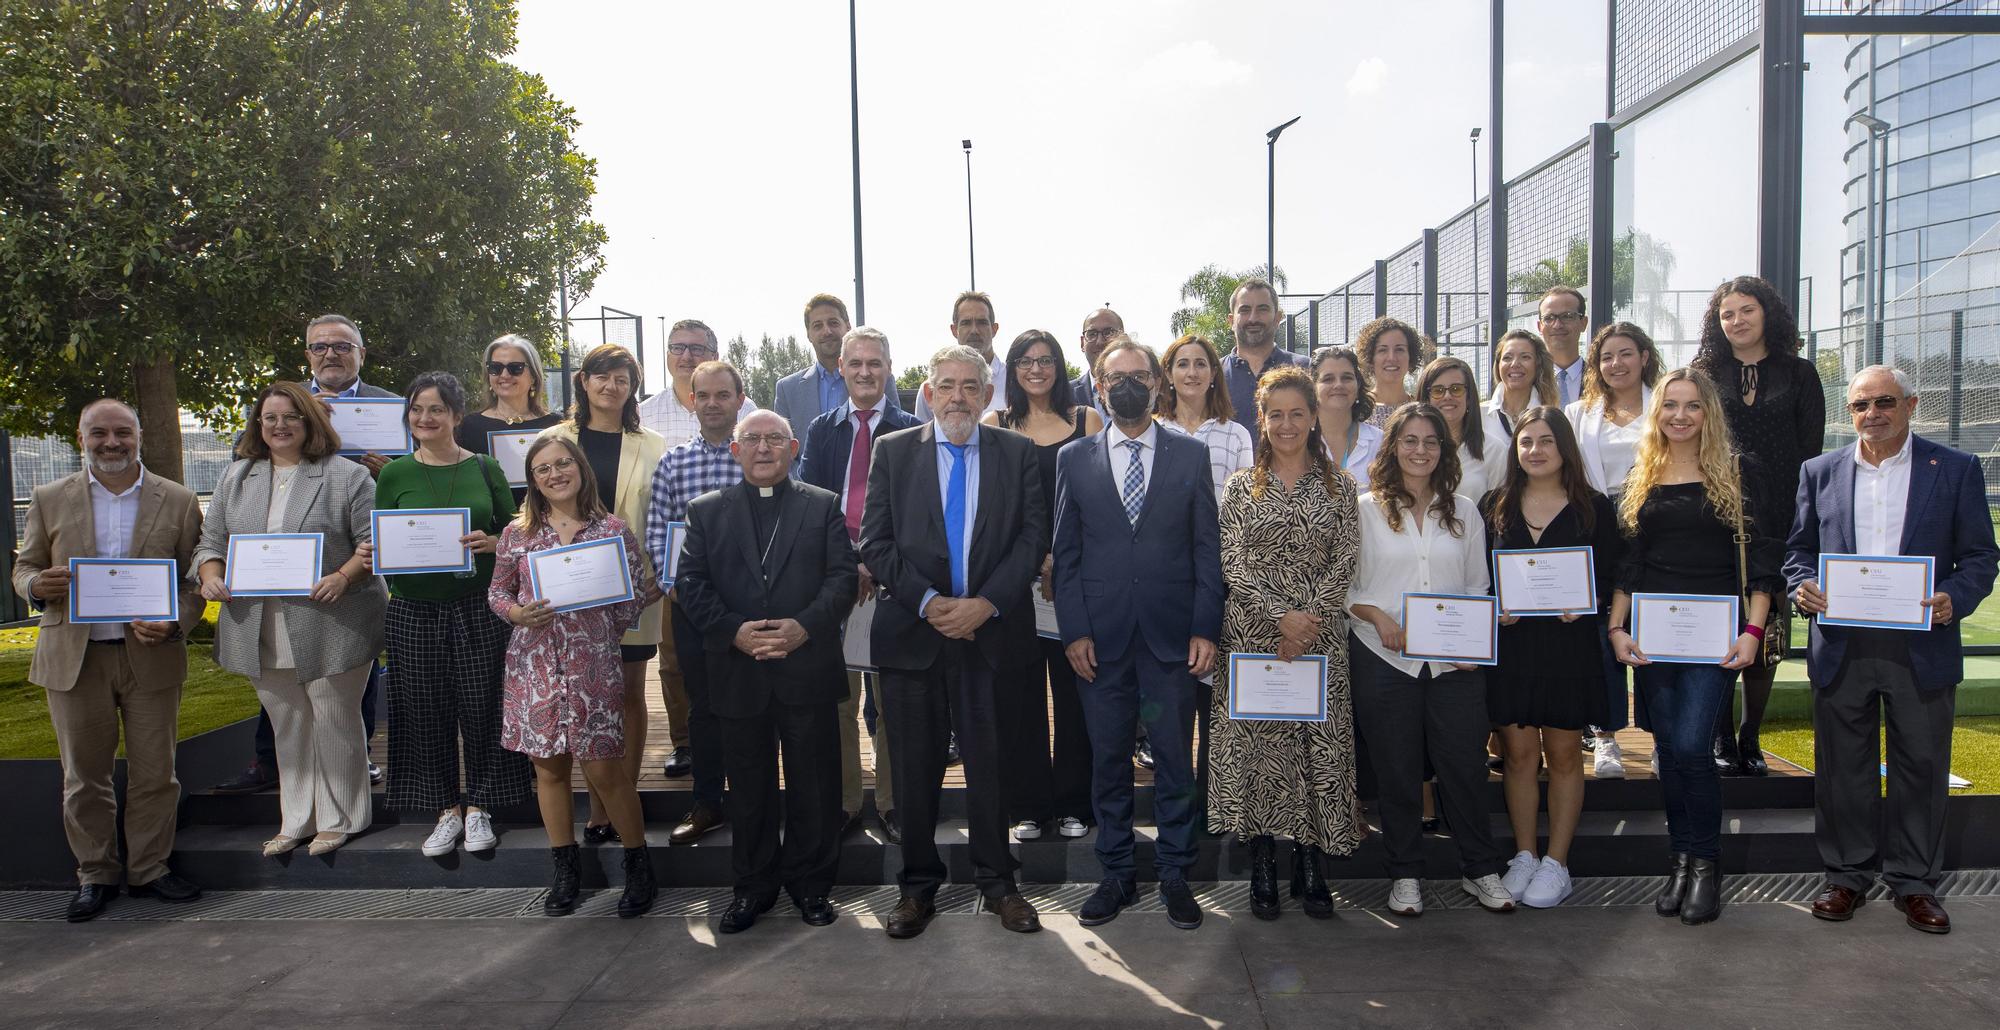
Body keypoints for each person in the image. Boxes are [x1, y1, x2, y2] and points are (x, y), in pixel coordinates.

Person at [1788, 366, 1998, 935]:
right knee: (1842, 770)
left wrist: (1954, 597)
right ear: (1849, 412)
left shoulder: (1954, 469)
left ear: (1911, 404)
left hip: (1922, 644)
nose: (1872, 413)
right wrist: (1801, 586)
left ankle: (1914, 883)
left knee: (1921, 766)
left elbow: (1982, 556)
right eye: (1860, 405)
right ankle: (1846, 876)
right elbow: (1799, 550)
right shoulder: (1820, 471)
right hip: (1842, 645)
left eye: (1884, 402)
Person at [860, 344, 1047, 940]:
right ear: (929, 392)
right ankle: (917, 889)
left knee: (992, 767)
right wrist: (929, 603)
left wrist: (985, 603)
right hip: (916, 636)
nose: (959, 396)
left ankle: (999, 883)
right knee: (914, 772)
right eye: (948, 385)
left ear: (988, 394)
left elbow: (1032, 536)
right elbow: (876, 540)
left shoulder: (1017, 453)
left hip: (991, 637)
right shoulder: (893, 452)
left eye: (971, 385)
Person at [1051, 335, 1222, 930]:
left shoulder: (1190, 454)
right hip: (1101, 641)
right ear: (1099, 385)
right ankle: (1117, 872)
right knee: (1108, 761)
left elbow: (1207, 548)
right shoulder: (1071, 459)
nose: (1128, 383)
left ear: (1157, 383)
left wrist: (1206, 625)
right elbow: (1065, 554)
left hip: (1172, 639)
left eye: (1139, 374)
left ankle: (1175, 873)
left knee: (1176, 761)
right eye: (1115, 375)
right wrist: (1073, 631)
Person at [14, 399, 206, 921]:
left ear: (139, 436)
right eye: (99, 433)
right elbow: (26, 566)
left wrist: (177, 621)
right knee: (84, 775)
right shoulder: (51, 497)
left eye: (123, 432)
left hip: (150, 657)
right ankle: (94, 874)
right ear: (82, 438)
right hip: (75, 658)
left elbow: (194, 582)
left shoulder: (180, 500)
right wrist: (35, 585)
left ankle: (149, 870)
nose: (112, 442)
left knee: (156, 773)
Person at [1607, 368, 1782, 926]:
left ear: (1709, 412)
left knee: (1689, 746)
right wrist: (1617, 628)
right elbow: (1630, 562)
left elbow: (1762, 559)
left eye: (1692, 406)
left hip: (1715, 636)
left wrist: (1753, 632)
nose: (1679, 416)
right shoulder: (1643, 474)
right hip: (1654, 635)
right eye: (1669, 406)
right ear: (1656, 414)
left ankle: (1707, 864)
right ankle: (1680, 861)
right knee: (1669, 751)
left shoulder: (1739, 472)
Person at [676, 411, 859, 933]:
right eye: (751, 439)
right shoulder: (705, 511)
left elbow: (842, 579)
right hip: (739, 670)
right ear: (734, 451)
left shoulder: (821, 506)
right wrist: (734, 630)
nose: (763, 448)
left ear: (793, 447)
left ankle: (812, 887)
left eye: (774, 439)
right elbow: (691, 584)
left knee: (815, 787)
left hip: (807, 667)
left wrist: (804, 627)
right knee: (749, 790)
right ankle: (752, 888)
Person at [195, 381, 386, 857]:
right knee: (287, 722)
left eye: (290, 417)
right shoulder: (236, 477)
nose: (279, 426)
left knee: (334, 717)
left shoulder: (347, 477)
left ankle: (342, 818)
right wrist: (210, 574)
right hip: (258, 621)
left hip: (335, 618)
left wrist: (343, 576)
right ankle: (296, 818)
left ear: (310, 422)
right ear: (258, 426)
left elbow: (374, 542)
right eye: (270, 418)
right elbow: (210, 542)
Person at [212, 313, 391, 795]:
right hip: (279, 568)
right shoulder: (279, 405)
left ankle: (359, 760)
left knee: (352, 669)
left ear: (361, 354)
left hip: (354, 562)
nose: (331, 353)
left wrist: (391, 470)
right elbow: (243, 471)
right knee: (278, 669)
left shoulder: (393, 409)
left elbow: (420, 476)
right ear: (307, 354)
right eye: (320, 346)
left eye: (342, 346)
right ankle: (270, 760)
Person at [1208, 366, 1363, 921]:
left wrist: (1309, 618)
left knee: (1315, 753)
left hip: (1320, 642)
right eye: (1277, 414)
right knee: (1261, 754)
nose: (1288, 424)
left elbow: (1346, 558)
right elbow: (1231, 561)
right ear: (1262, 419)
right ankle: (1264, 864)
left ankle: (1312, 860)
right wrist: (1279, 617)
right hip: (1255, 640)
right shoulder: (1238, 489)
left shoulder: (1341, 487)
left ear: (1315, 416)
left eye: (1298, 413)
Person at [1347, 403, 1515, 916]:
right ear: (1392, 445)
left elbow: (1475, 588)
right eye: (1410, 440)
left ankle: (1480, 870)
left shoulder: (1464, 510)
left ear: (1443, 450)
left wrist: (1472, 644)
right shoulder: (1363, 509)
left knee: (1464, 767)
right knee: (1397, 773)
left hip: (1453, 667)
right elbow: (1343, 590)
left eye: (1431, 441)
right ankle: (1405, 876)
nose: (1420, 450)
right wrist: (1380, 618)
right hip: (1383, 658)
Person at [489, 435, 663, 917]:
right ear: (533, 479)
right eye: (543, 468)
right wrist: (518, 613)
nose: (555, 473)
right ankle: (565, 869)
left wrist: (598, 624)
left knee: (605, 769)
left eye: (563, 463)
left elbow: (632, 600)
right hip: (535, 665)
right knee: (549, 769)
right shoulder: (516, 534)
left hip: (593, 666)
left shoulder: (611, 530)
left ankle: (638, 864)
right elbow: (497, 594)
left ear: (581, 468)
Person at [375, 372, 530, 857]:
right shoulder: (393, 474)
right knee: (423, 709)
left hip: (477, 606)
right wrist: (374, 553)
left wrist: (491, 544)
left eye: (436, 409)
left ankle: (483, 804)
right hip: (413, 610)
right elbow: (384, 539)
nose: (425, 418)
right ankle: (443, 808)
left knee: (484, 705)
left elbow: (517, 532)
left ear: (457, 416)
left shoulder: (485, 467)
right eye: (417, 410)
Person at [1482, 408, 1620, 909]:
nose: (1535, 450)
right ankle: (1524, 854)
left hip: (1569, 648)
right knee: (1518, 756)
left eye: (1546, 441)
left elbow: (1609, 577)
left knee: (1564, 756)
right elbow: (1480, 577)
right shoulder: (1494, 505)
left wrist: (1584, 603)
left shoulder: (1595, 509)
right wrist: (1495, 608)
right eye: (1525, 442)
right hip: (1513, 649)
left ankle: (1557, 862)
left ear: (1564, 447)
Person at [1690, 276, 1825, 777]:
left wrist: (1799, 520)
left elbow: (1809, 452)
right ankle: (1721, 735)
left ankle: (1751, 734)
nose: (1737, 321)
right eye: (1727, 314)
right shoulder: (1702, 373)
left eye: (1746, 310)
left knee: (1766, 631)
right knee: (1722, 624)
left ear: (1768, 314)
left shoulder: (1801, 374)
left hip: (1779, 517)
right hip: (1716, 515)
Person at [542, 343, 668, 844]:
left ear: (632, 388)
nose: (610, 386)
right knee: (581, 695)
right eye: (601, 376)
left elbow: (662, 518)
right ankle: (597, 804)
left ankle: (623, 796)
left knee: (629, 693)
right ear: (584, 382)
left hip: (632, 590)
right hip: (567, 591)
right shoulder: (554, 438)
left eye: (622, 378)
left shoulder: (653, 445)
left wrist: (661, 574)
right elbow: (532, 511)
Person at [799, 328, 921, 841]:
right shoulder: (821, 431)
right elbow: (810, 506)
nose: (866, 372)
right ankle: (847, 804)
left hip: (894, 582)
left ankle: (894, 805)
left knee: (893, 701)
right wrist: (848, 568)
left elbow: (918, 514)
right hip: (836, 583)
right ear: (842, 369)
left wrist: (877, 563)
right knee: (840, 701)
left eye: (875, 363)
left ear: (889, 367)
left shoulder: (915, 430)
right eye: (856, 364)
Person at [985, 330, 1102, 843]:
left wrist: (1063, 558)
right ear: (1011, 369)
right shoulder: (996, 425)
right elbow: (992, 511)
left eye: (1046, 359)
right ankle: (1029, 805)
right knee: (1019, 697)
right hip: (1015, 583)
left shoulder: (1087, 421)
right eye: (1026, 361)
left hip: (1075, 582)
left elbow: (1100, 504)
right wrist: (1030, 560)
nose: (1036, 368)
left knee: (1077, 694)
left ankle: (1076, 802)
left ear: (1060, 365)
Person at [635, 321, 749, 782]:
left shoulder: (757, 454)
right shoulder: (674, 462)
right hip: (691, 598)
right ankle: (702, 782)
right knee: (691, 683)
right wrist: (672, 582)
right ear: (692, 401)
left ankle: (745, 773)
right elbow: (658, 530)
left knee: (746, 686)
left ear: (740, 400)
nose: (713, 403)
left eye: (723, 395)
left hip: (748, 596)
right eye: (704, 396)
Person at [1564, 322, 1664, 775]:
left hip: (1658, 527)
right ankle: (1606, 738)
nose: (1615, 364)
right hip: (1600, 532)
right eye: (1606, 357)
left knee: (1654, 634)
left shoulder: (1665, 406)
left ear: (1644, 357)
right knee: (1604, 634)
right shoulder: (1577, 413)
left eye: (1625, 354)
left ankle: (1661, 737)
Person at [773, 293, 898, 439]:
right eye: (818, 326)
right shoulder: (787, 389)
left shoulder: (878, 379)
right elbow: (782, 447)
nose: (827, 331)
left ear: (848, 327)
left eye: (833, 323)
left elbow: (895, 435)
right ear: (808, 334)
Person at [458, 333, 566, 502]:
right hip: (490, 526)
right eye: (495, 368)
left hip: (549, 522)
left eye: (516, 368)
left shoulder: (556, 426)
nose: (505, 375)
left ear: (533, 376)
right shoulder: (469, 427)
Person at [1156, 333, 1254, 499]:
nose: (1192, 373)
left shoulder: (1237, 435)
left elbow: (1244, 501)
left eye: (1200, 364)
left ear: (1213, 373)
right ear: (1169, 374)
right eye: (1183, 364)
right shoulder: (1155, 432)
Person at [636, 319, 758, 447]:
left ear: (715, 357)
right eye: (677, 348)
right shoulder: (644, 414)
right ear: (667, 355)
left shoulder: (744, 410)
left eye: (696, 349)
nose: (686, 356)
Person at [1219, 278, 1307, 439]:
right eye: (1244, 310)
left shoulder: (1305, 369)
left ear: (1277, 318)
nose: (1253, 318)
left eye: (1262, 309)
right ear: (1231, 321)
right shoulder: (1212, 375)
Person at [1417, 356, 1509, 502]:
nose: (1447, 396)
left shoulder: (1494, 451)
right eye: (1438, 390)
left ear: (1469, 397)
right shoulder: (1412, 450)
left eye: (1456, 389)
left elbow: (1499, 513)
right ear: (1426, 399)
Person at [912, 292, 1009, 420]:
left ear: (994, 329)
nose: (974, 330)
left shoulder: (1013, 381)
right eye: (966, 323)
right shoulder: (932, 388)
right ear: (954, 330)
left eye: (982, 322)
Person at [1309, 346, 1382, 489]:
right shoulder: (1300, 440)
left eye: (1346, 378)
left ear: (1358, 384)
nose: (1338, 385)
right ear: (1313, 386)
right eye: (1328, 379)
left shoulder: (1379, 442)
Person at [1357, 317, 1431, 427]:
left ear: (1410, 357)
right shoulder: (1356, 410)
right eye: (1382, 350)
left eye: (1399, 349)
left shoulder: (1423, 411)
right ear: (1370, 358)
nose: (1391, 358)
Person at [1483, 329, 1560, 432]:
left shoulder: (1553, 419)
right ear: (1498, 365)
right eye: (1507, 358)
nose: (1515, 364)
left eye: (1525, 357)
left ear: (1538, 364)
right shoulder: (1478, 416)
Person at [1537, 287, 1591, 406]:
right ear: (1539, 326)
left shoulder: (1600, 379)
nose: (1557, 325)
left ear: (1584, 323)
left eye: (1567, 316)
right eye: (1549, 318)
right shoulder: (1529, 379)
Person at [1070, 307, 1123, 413]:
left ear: (1123, 338)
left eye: (1109, 332)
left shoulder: (1144, 386)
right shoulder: (1064, 395)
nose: (1099, 342)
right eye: (1092, 334)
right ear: (1082, 343)